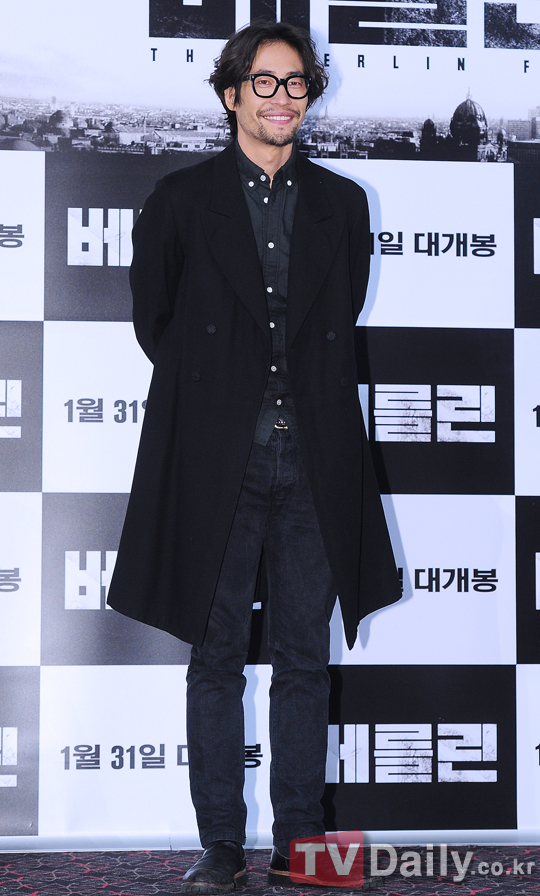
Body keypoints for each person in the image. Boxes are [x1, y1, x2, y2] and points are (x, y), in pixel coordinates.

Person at [107, 19, 401, 893]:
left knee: (305, 660)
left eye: (295, 82)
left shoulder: (343, 204)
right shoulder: (179, 199)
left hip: (314, 460)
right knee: (216, 659)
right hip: (217, 463)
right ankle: (222, 846)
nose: (281, 98)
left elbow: (339, 311)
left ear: (310, 95)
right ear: (232, 94)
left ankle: (301, 841)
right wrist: (223, 398)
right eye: (264, 82)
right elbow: (155, 323)